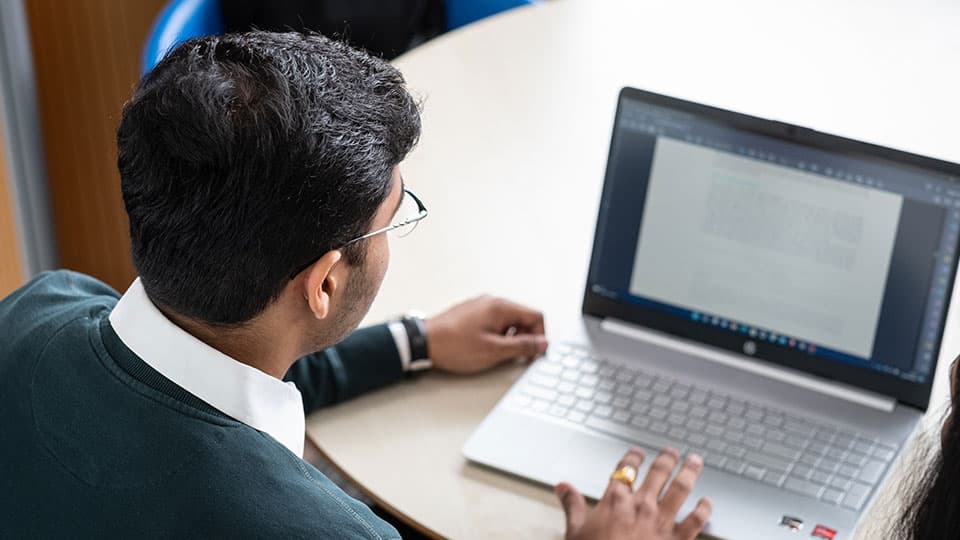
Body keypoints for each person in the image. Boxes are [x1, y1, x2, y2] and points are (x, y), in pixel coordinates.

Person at [0, 32, 709, 538]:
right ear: (325, 283)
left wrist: (414, 342)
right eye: (392, 220)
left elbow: (218, 361)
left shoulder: (37, 309)